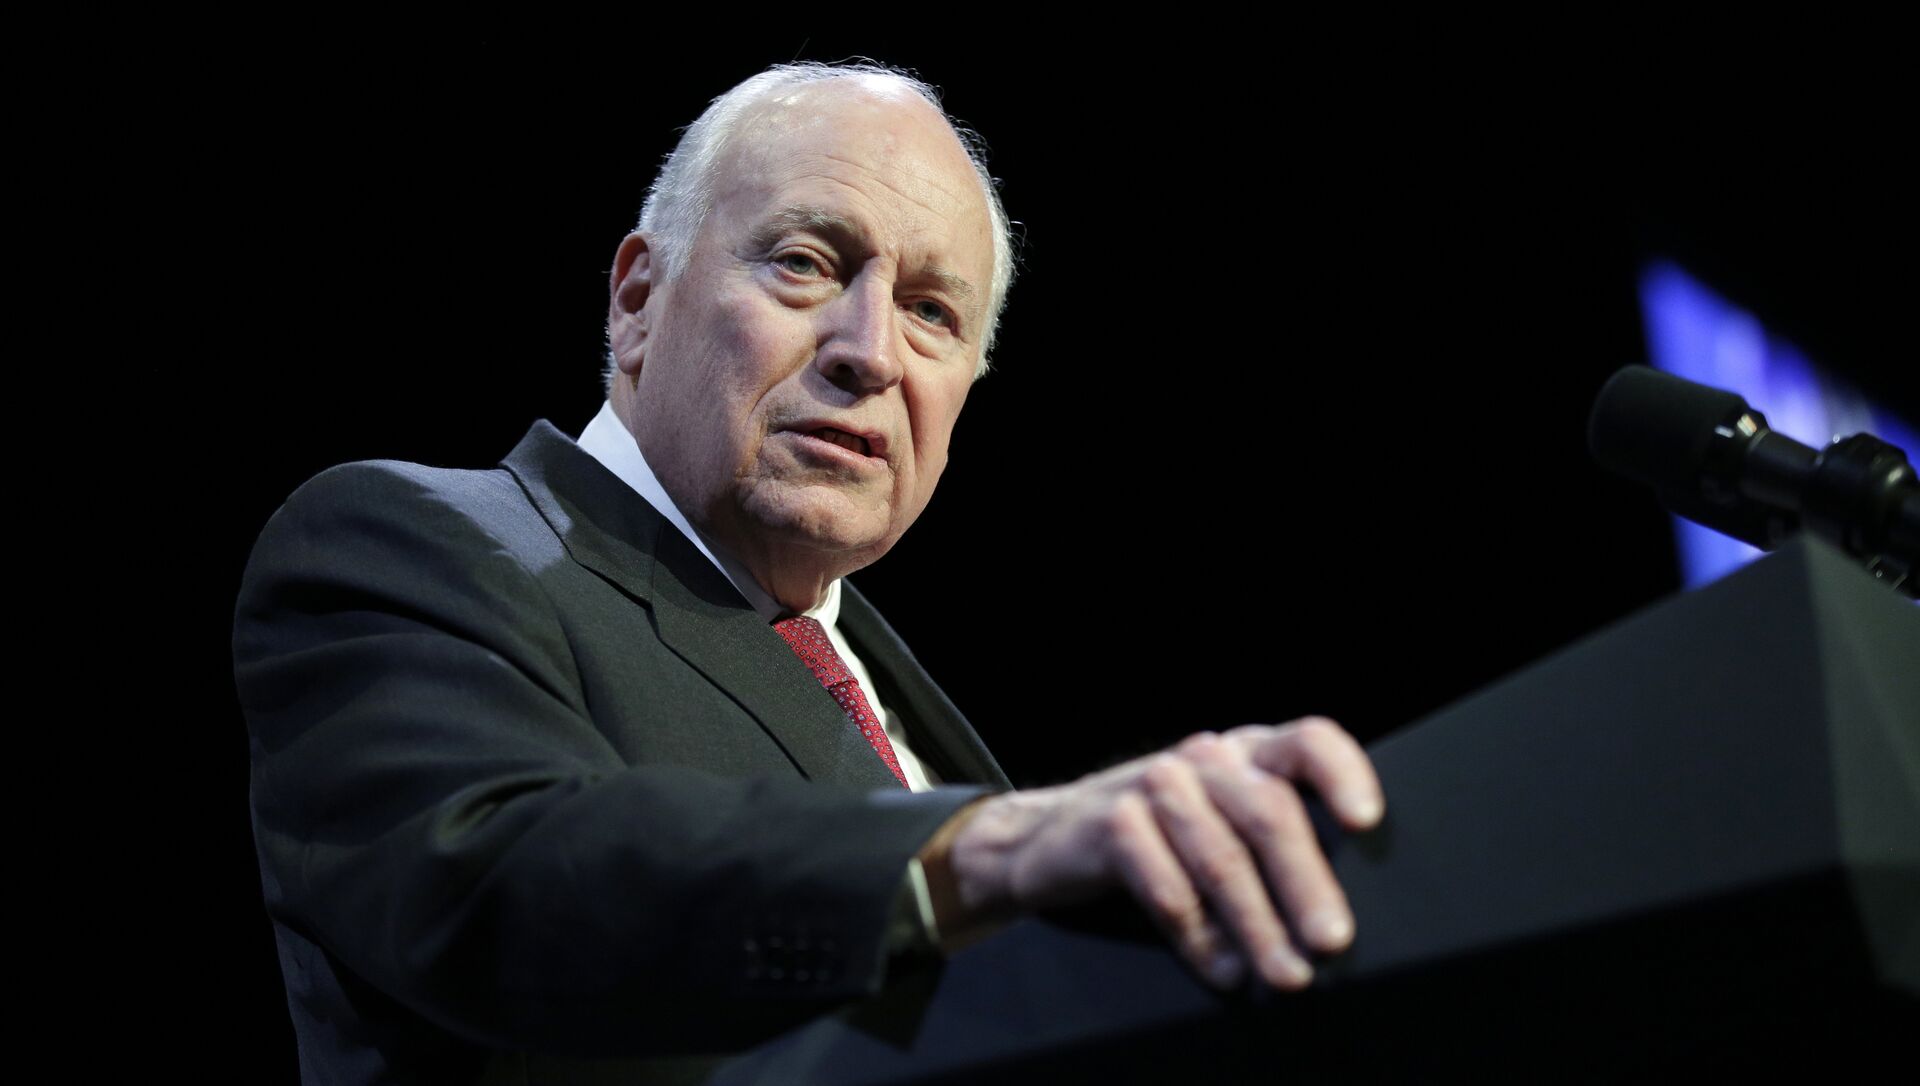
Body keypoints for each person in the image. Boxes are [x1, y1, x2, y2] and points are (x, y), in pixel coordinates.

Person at [233, 61, 1385, 1083]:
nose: (869, 352)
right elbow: (495, 883)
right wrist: (991, 847)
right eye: (804, 264)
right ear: (637, 302)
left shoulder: (869, 672)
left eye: (931, 313)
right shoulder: (411, 544)